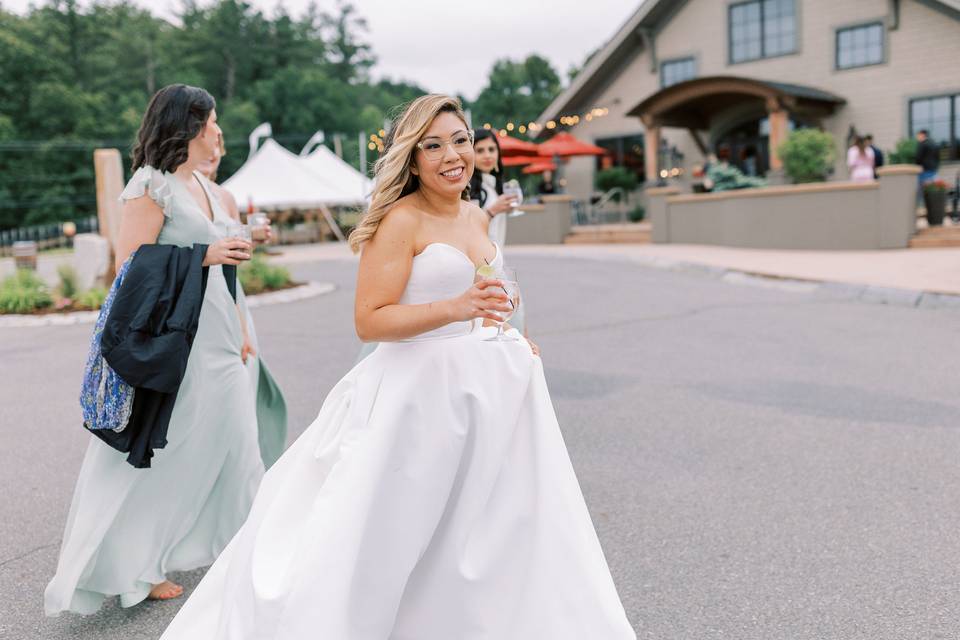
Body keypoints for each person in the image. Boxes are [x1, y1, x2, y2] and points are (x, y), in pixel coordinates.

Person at [160, 94, 636, 640]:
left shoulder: (474, 214)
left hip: (486, 393)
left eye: (459, 140)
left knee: (485, 527)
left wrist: (512, 336)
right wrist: (457, 309)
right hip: (417, 397)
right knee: (396, 531)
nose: (452, 154)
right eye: (433, 146)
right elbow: (370, 320)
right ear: (412, 160)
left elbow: (489, 292)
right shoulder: (400, 220)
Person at [45, 84, 276, 615]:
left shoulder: (205, 186)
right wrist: (205, 253)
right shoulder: (152, 186)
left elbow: (225, 267)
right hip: (178, 342)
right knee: (166, 452)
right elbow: (131, 267)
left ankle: (251, 547)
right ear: (188, 126)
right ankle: (130, 568)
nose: (218, 131)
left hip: (222, 336)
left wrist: (241, 325)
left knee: (237, 440)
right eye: (212, 121)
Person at [469, 127, 517, 248]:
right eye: (480, 151)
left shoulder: (493, 184)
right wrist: (493, 210)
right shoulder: (467, 187)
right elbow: (468, 228)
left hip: (497, 258)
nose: (487, 155)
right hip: (480, 261)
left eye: (491, 149)